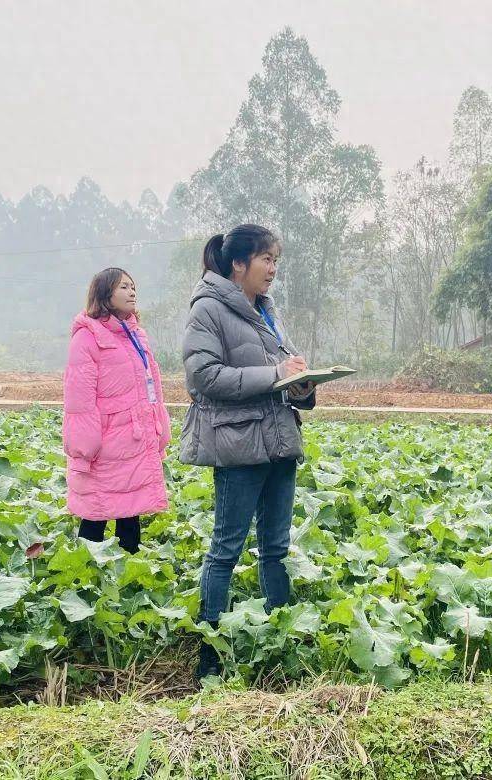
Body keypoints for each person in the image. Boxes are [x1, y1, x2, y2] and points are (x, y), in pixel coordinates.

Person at [179, 224, 316, 680]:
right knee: (226, 549)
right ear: (239, 264)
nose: (273, 269)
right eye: (267, 259)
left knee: (275, 548)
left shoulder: (267, 311)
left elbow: (284, 368)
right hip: (238, 445)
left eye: (276, 260)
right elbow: (205, 377)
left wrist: (301, 385)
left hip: (279, 441)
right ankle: (209, 651)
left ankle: (281, 639)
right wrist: (274, 374)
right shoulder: (208, 309)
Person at [62, 267, 170, 553]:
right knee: (95, 515)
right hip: (104, 446)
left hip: (133, 440)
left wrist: (159, 430)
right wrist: (84, 450)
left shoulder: (136, 335)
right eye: (123, 287)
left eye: (133, 286)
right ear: (104, 293)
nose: (132, 292)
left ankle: (128, 579)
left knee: (130, 513)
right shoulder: (86, 338)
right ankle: (85, 577)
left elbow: (153, 387)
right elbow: (79, 402)